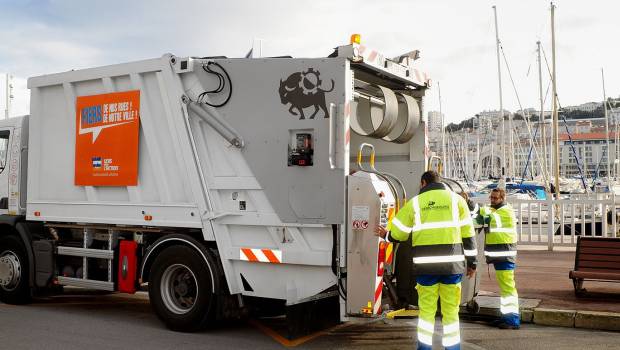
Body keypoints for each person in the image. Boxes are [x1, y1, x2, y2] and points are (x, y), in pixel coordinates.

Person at [375, 171, 477, 350]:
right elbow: (469, 235)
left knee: (427, 312)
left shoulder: (415, 203)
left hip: (426, 268)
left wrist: (387, 235)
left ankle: (424, 348)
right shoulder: (457, 201)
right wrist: (472, 263)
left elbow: (400, 233)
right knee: (451, 313)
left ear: (423, 183)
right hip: (452, 268)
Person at [478, 188, 520, 329]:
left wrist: (480, 210)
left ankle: (512, 320)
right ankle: (506, 317)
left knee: (508, 288)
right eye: (491, 198)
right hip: (500, 253)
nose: (492, 200)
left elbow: (487, 217)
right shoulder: (495, 210)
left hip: (505, 253)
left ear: (503, 198)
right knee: (505, 288)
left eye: (495, 198)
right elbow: (484, 214)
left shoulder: (505, 212)